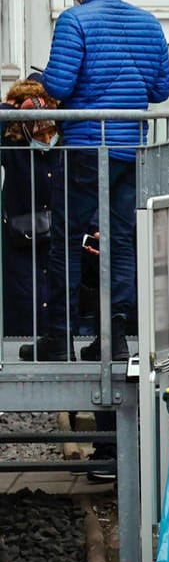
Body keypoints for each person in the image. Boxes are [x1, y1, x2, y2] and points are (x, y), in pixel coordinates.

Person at [40, 0, 169, 361]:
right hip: (129, 150)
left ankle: (59, 337)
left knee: (66, 239)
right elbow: (159, 90)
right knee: (122, 240)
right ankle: (113, 335)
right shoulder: (148, 22)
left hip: (84, 147)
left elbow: (59, 86)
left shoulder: (74, 20)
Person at [3, 77, 82, 360]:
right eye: (36, 122)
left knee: (58, 295)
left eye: (48, 121)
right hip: (21, 244)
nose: (44, 131)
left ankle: (58, 345)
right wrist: (11, 107)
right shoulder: (13, 148)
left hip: (59, 239)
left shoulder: (65, 144)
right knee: (25, 303)